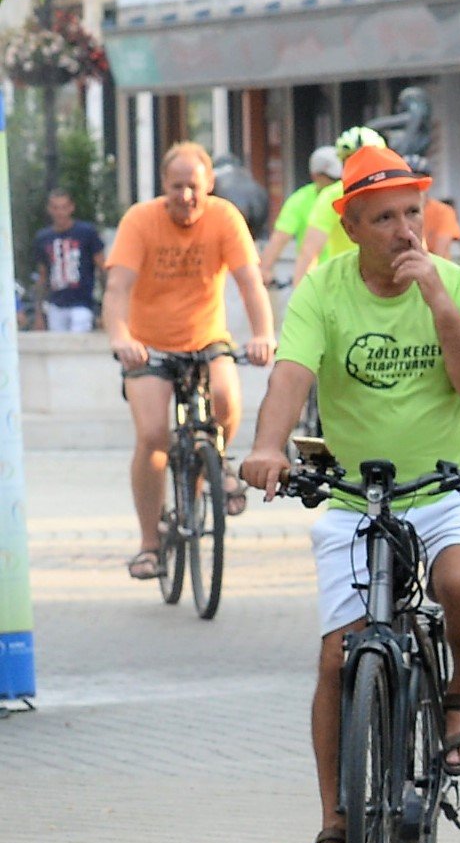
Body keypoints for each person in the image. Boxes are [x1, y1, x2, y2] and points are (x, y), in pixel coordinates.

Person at [240, 144, 460, 843]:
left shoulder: (453, 283)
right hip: (361, 497)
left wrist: (442, 307)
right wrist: (266, 447)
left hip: (449, 487)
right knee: (336, 657)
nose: (403, 231)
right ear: (351, 225)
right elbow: (290, 376)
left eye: (411, 213)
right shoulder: (322, 290)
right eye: (383, 217)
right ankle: (336, 822)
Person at [102, 141, 275, 579]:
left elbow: (250, 283)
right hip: (150, 344)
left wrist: (262, 335)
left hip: (205, 338)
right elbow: (118, 289)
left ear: (209, 184)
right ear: (164, 185)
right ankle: (149, 544)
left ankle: (218, 460)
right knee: (154, 436)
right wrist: (121, 337)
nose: (185, 196)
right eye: (176, 186)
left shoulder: (224, 217)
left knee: (225, 399)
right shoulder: (140, 221)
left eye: (193, 186)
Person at [291, 126, 385, 284]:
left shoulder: (396, 194)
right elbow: (309, 251)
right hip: (347, 285)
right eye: (352, 162)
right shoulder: (333, 196)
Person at [260, 146, 341, 283]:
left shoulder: (346, 196)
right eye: (330, 179)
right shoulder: (300, 200)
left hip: (343, 275)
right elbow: (280, 237)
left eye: (339, 179)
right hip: (316, 279)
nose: (336, 184)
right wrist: (264, 270)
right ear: (315, 176)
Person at [32, 189, 105, 332]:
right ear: (49, 209)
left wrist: (106, 308)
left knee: (79, 338)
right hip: (56, 304)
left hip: (82, 303)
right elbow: (42, 276)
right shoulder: (43, 238)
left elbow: (102, 268)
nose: (60, 213)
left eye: (64, 207)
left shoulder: (86, 233)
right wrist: (38, 314)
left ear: (72, 207)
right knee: (58, 347)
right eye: (55, 208)